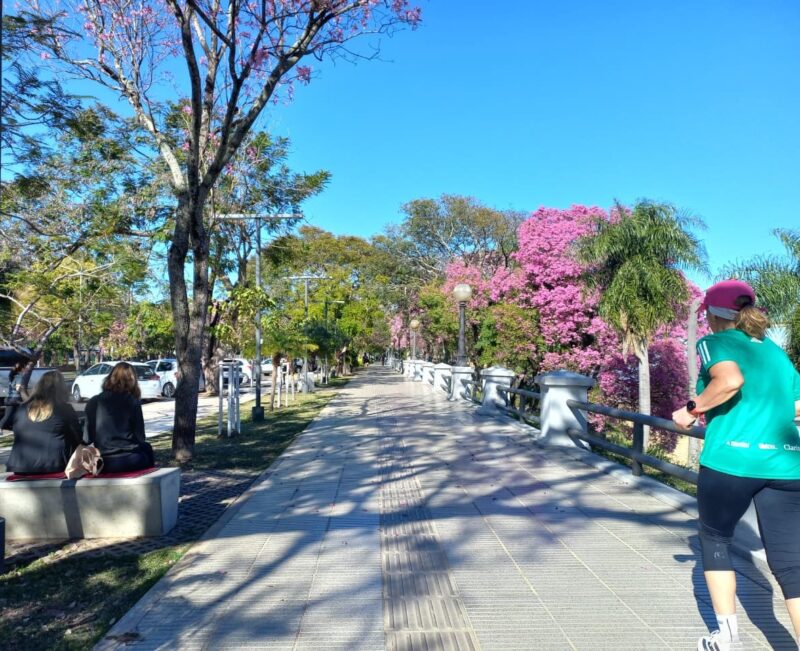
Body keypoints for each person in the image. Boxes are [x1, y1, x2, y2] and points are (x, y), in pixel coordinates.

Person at [672, 279, 800, 651]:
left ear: (713, 315)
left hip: (732, 462)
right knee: (792, 565)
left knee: (714, 540)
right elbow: (796, 406)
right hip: (787, 464)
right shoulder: (775, 352)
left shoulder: (714, 343)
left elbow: (729, 380)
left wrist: (692, 409)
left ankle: (726, 638)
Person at [6, 370, 82, 474]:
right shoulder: (64, 409)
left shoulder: (22, 409)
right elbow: (78, 438)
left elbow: (16, 432)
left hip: (19, 465)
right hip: (55, 465)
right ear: (61, 389)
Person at [85, 362, 155, 473]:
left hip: (103, 461)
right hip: (131, 459)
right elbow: (140, 437)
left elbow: (87, 437)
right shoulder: (132, 401)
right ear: (132, 381)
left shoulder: (94, 401)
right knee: (147, 449)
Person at [0, 361, 30, 432]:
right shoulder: (20, 376)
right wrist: (24, 388)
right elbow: (18, 388)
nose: (26, 369)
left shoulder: (12, 375)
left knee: (11, 416)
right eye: (25, 367)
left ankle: (17, 429)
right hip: (16, 399)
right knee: (9, 416)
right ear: (22, 368)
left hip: (9, 398)